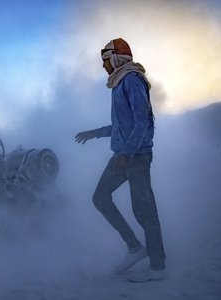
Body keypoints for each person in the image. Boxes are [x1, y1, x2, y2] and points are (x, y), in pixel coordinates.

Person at [75, 38, 167, 282]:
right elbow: (121, 125)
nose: (103, 66)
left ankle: (158, 267)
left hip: (135, 156)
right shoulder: (119, 83)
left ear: (117, 58)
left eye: (105, 60)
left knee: (144, 210)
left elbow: (143, 121)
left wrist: (126, 154)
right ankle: (135, 248)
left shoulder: (132, 80)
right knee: (100, 197)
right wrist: (94, 133)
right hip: (123, 155)